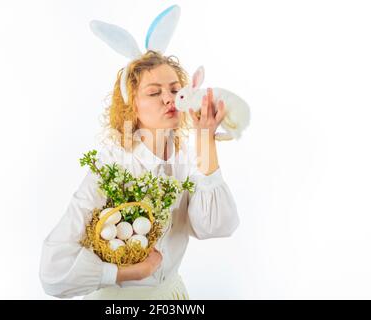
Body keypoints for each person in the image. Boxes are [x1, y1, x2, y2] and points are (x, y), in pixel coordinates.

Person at [39, 50, 240, 299]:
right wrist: (129, 272)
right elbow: (53, 273)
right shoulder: (112, 166)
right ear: (132, 107)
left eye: (176, 90)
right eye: (154, 92)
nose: (169, 99)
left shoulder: (185, 157)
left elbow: (215, 226)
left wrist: (205, 140)